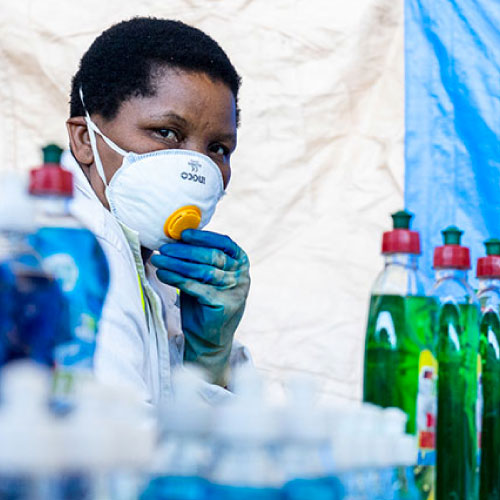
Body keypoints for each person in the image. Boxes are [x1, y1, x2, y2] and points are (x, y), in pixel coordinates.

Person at [64, 17, 251, 406]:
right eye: (166, 132)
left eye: (218, 148)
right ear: (85, 140)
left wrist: (209, 356)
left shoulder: (151, 261)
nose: (197, 167)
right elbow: (123, 436)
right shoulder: (78, 252)